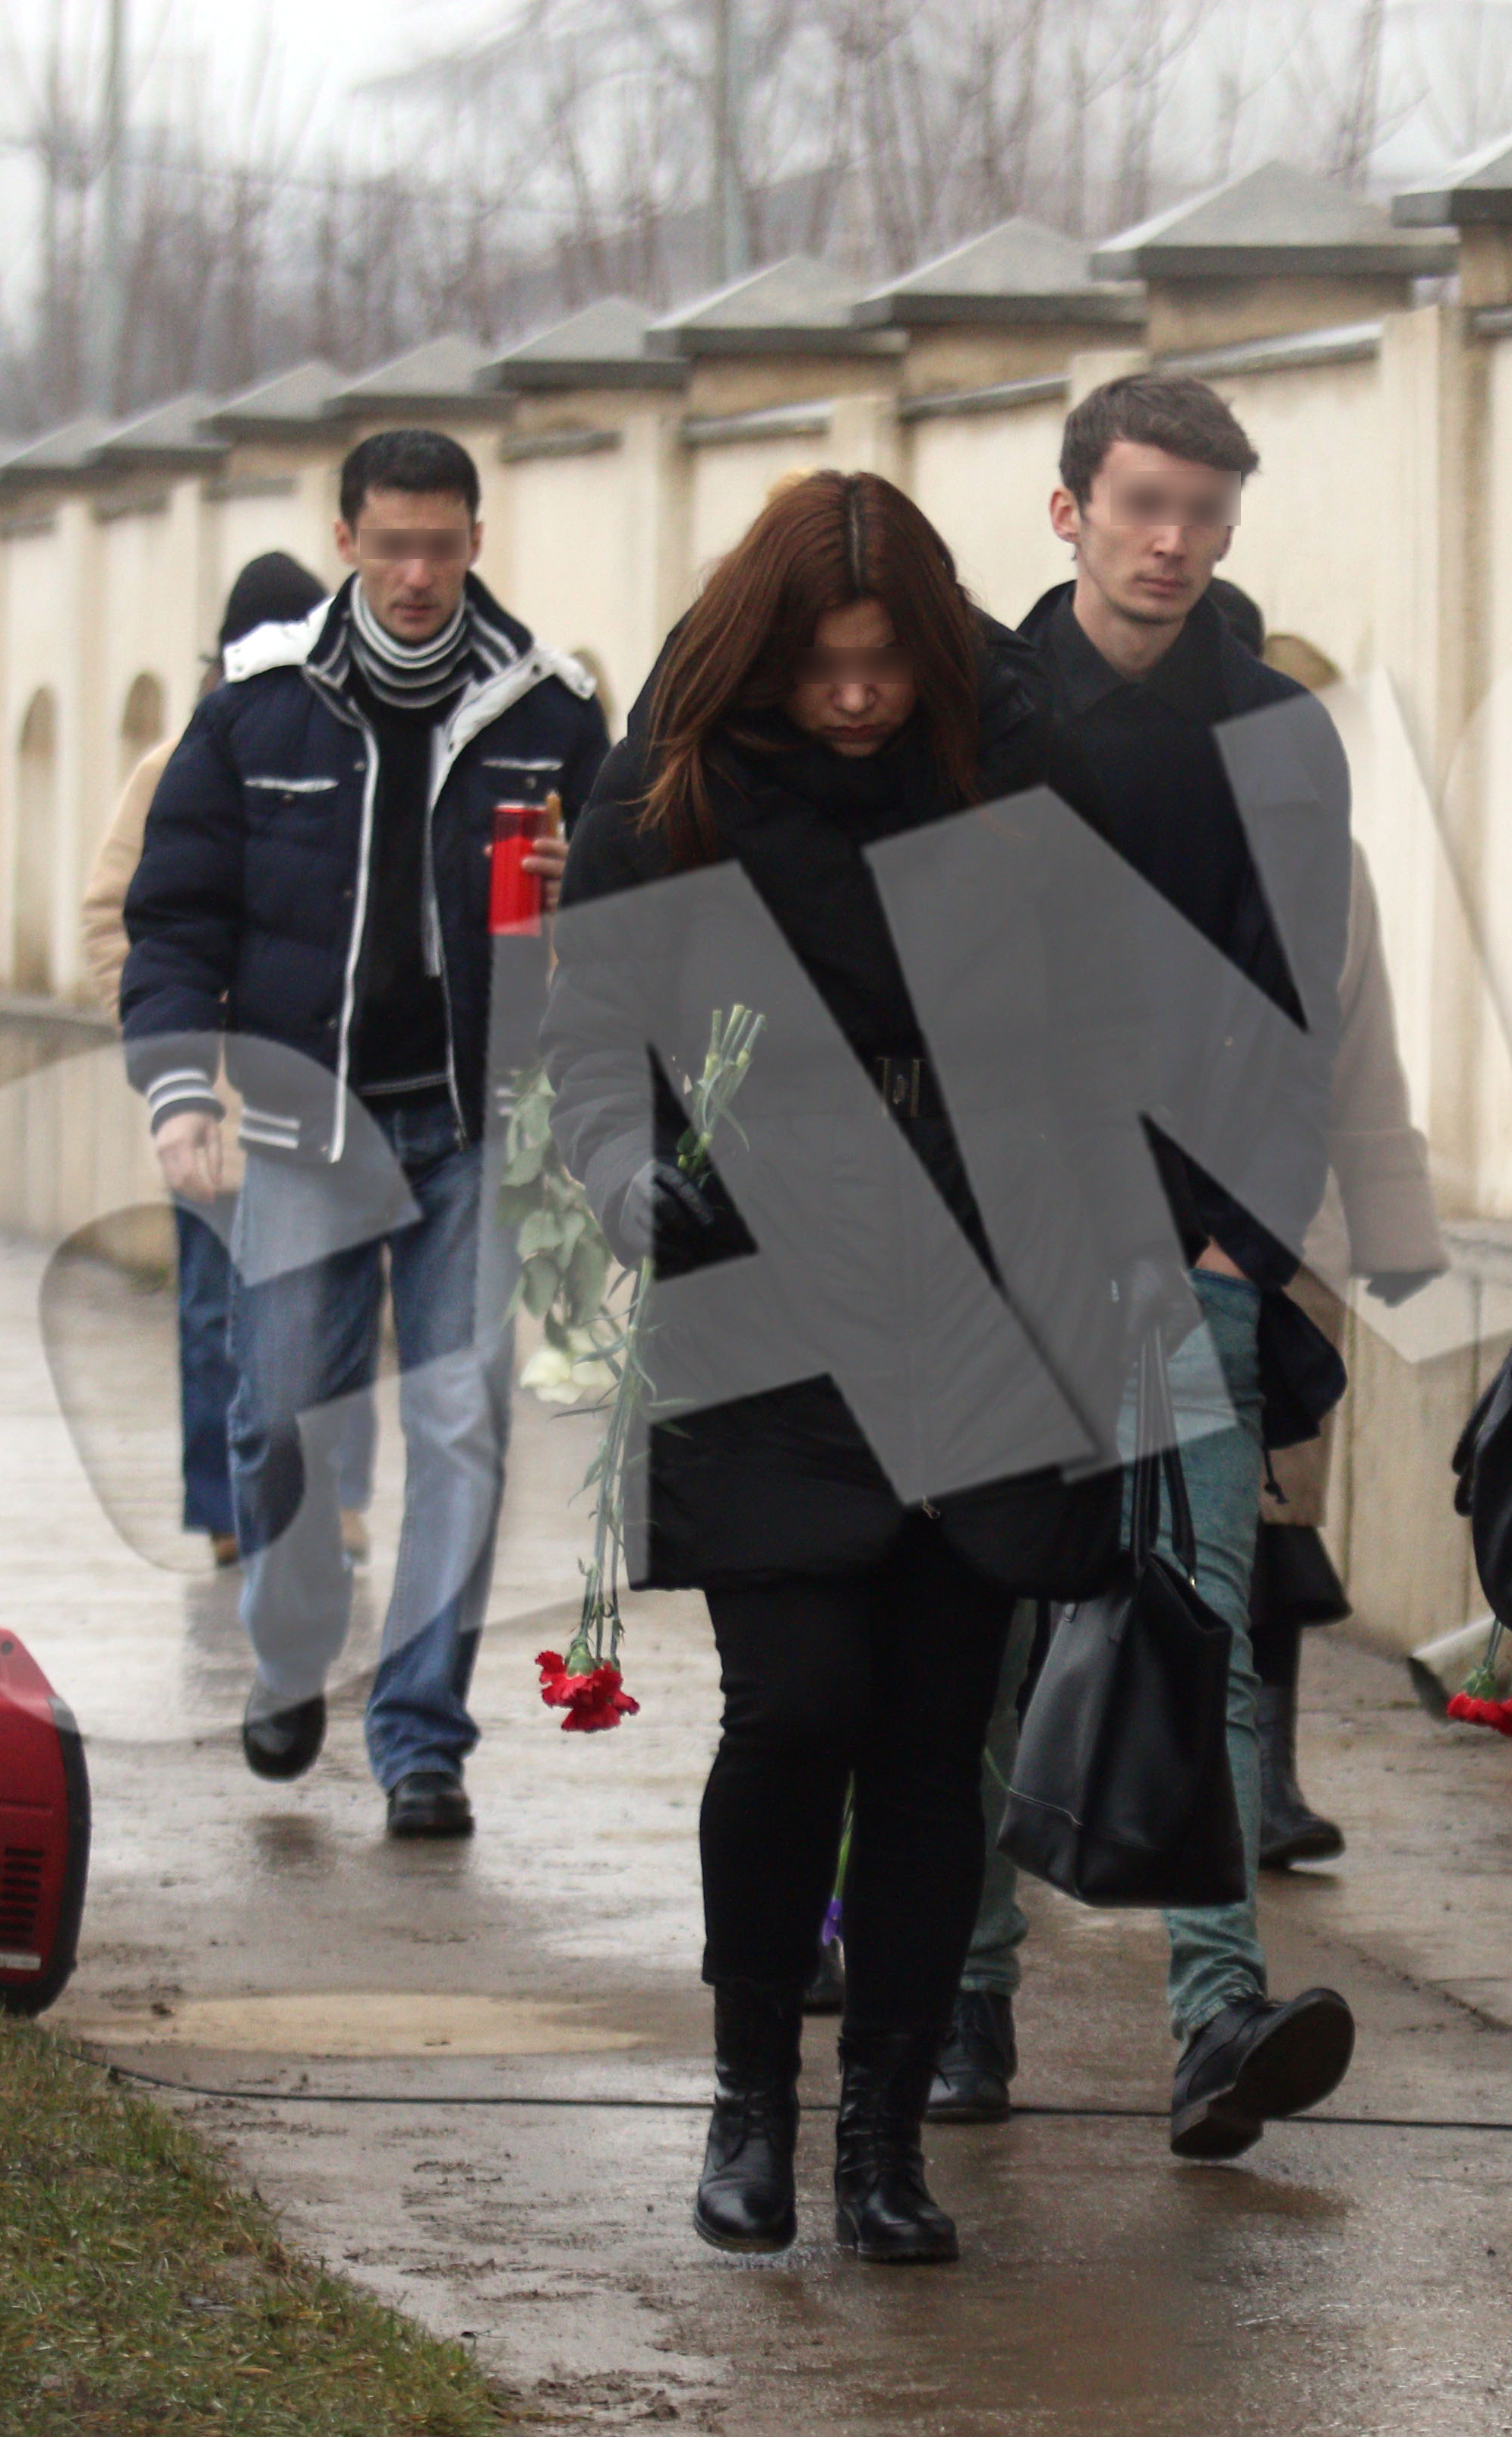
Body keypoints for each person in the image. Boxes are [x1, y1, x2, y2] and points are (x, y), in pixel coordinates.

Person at [541, 469, 1163, 2266]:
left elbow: (1100, 1037)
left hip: (985, 1293)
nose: (863, 696)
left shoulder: (1005, 774)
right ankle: (752, 2099)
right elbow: (589, 1040)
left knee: (925, 1742)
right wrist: (618, 1175)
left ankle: (885, 2135)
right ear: (767, 649)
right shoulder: (674, 790)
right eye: (829, 664)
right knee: (796, 1702)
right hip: (763, 1289)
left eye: (889, 661)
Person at [929, 373, 1362, 2160]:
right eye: (1144, 506)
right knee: (972, 1636)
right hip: (987, 1249)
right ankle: (960, 2000)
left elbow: (1295, 995)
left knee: (1203, 1631)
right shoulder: (971, 714)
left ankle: (1215, 2021)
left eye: (1206, 512)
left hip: (1188, 1254)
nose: (1175, 542)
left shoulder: (1276, 730)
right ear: (1069, 511)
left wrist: (1236, 1242)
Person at [121, 428, 608, 1839]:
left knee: (462, 1425)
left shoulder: (550, 711)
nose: (416, 573)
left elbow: (648, 901)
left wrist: (589, 894)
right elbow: (174, 922)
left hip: (473, 1130)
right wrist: (181, 1089)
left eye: (442, 545)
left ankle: (421, 1739)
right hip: (299, 1126)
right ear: (346, 539)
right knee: (279, 1422)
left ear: (473, 541)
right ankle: (285, 1657)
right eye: (391, 544)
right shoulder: (258, 711)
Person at [76, 552, 377, 1573]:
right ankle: (227, 1508)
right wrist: (180, 1057)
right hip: (215, 1112)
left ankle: (330, 1503)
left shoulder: (366, 757)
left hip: (334, 1105)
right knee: (219, 1316)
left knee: (335, 1316)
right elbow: (117, 922)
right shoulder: (175, 767)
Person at [1229, 632, 1445, 1872]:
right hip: (1162, 1240)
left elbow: (1370, 1059)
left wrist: (1397, 1227)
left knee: (1277, 1531)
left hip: (1300, 1246)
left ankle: (1266, 1778)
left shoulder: (1343, 869)